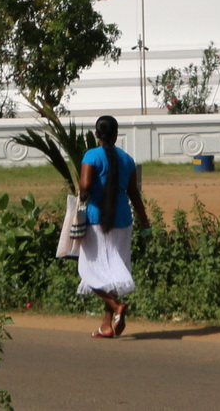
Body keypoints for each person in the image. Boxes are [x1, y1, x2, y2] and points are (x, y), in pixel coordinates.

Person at [76, 114, 148, 338]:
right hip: (123, 221)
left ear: (97, 134)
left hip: (97, 219)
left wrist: (82, 195)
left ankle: (116, 307)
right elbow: (134, 193)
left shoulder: (91, 156)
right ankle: (107, 326)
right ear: (116, 135)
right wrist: (144, 219)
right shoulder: (127, 159)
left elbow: (85, 185)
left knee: (87, 270)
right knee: (113, 272)